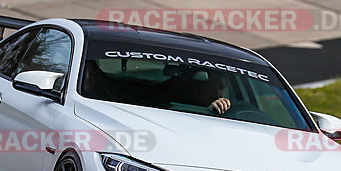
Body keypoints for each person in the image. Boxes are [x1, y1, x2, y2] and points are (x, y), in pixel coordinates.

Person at [81, 60, 230, 114]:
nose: (218, 92)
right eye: (213, 86)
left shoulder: (237, 112)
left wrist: (213, 110)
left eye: (222, 86)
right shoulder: (171, 99)